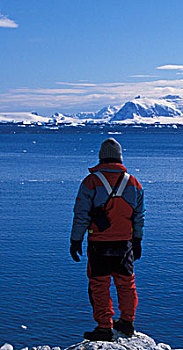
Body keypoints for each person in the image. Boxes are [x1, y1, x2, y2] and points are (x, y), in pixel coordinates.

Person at [70, 138, 145, 341]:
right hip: (125, 244)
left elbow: (81, 214)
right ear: (120, 157)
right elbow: (139, 215)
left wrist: (76, 240)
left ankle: (104, 327)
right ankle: (127, 323)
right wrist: (137, 240)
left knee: (99, 285)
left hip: (99, 244)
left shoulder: (91, 182)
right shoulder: (133, 182)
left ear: (101, 157)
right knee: (126, 284)